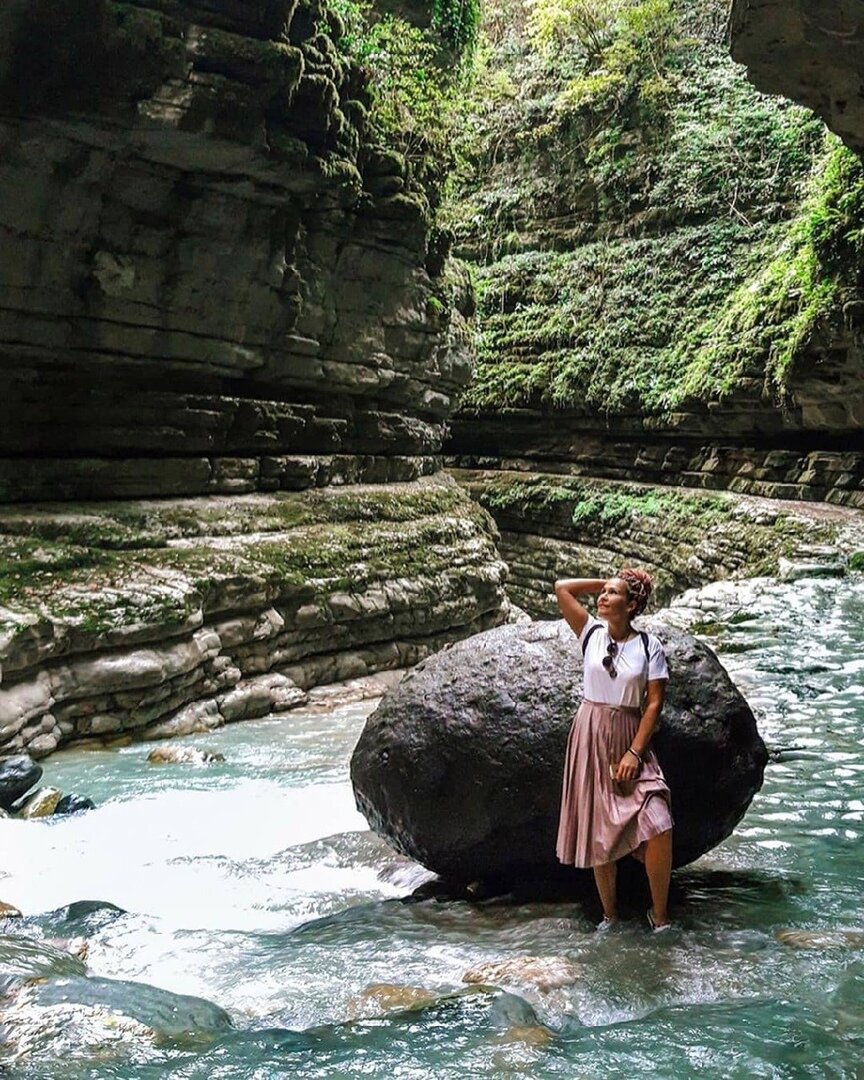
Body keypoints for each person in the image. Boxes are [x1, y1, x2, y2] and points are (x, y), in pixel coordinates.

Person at [554, 569, 673, 932]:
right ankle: (610, 915)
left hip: (629, 736)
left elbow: (653, 704)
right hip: (589, 735)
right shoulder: (590, 632)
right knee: (598, 826)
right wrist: (607, 580)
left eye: (612, 594)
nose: (601, 598)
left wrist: (634, 754)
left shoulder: (650, 646)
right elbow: (562, 588)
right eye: (601, 593)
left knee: (659, 822)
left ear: (632, 604)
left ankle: (661, 916)